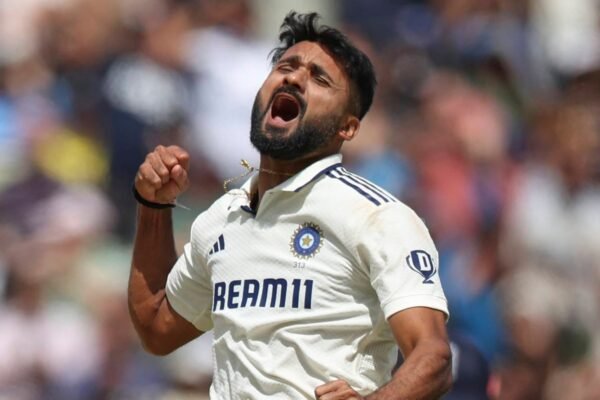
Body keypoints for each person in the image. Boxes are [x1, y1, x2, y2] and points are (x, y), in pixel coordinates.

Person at [128, 11, 451, 399]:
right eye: (286, 66)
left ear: (347, 127)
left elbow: (433, 356)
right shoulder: (221, 218)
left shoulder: (376, 216)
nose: (294, 78)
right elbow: (156, 329)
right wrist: (153, 206)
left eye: (320, 78)